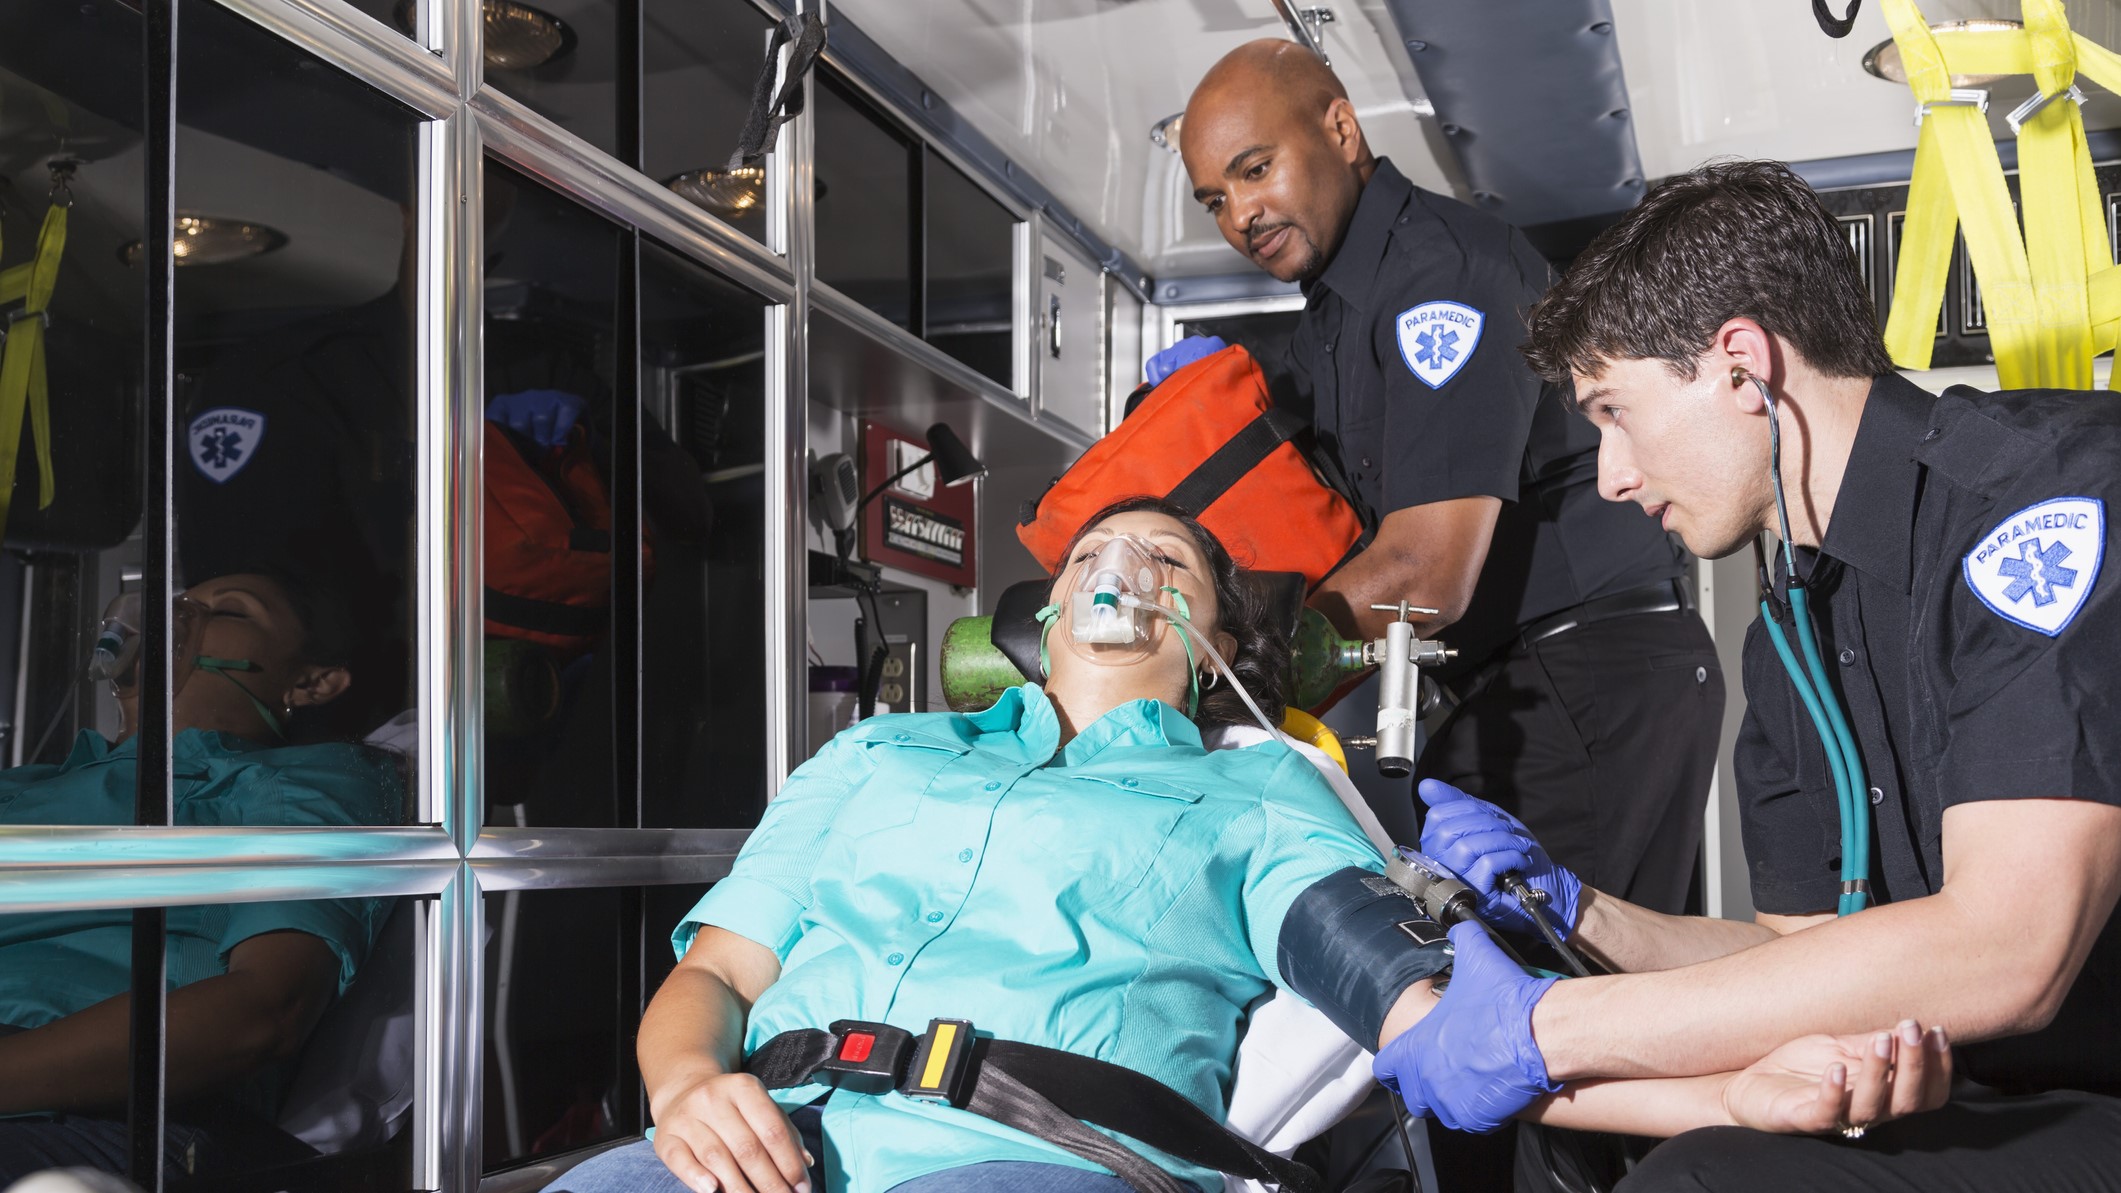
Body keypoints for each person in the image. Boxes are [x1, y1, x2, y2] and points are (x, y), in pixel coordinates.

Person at [546, 497, 1943, 1193]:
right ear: (1033, 617)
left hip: (1025, 1162)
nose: (1125, 570)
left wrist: (1736, 1097)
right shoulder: (876, 755)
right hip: (748, 1143)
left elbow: (1442, 1029)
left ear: (1217, 643)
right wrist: (680, 1091)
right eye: (1101, 547)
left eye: (1172, 568)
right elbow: (715, 978)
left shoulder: (1261, 795)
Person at [1372, 159, 2121, 1191]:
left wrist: (1554, 1025)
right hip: (1994, 1106)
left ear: (1741, 366)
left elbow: (2008, 946)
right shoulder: (1793, 629)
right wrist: (1578, 910)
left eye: (1614, 411)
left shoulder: (2038, 509)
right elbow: (1796, 956)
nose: (1611, 475)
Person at [1171, 41, 1719, 920]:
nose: (1239, 213)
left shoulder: (1442, 276)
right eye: (1214, 199)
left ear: (1341, 130)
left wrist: (1225, 677)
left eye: (1254, 169)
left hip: (1587, 683)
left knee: (1551, 1005)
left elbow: (1425, 571)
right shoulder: (1332, 314)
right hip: (1528, 686)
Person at [0, 569, 402, 1185]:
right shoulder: (28, 787)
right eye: (172, 603)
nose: (178, 615)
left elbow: (266, 1009)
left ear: (313, 681)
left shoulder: (304, 782)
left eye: (230, 611)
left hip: (100, 1122)